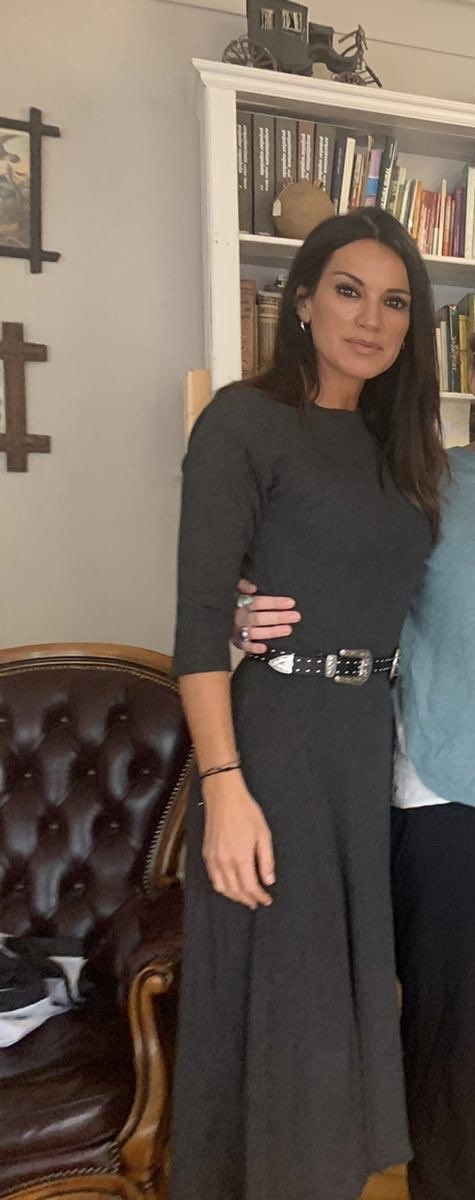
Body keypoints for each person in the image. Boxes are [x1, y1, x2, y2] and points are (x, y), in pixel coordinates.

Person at [171, 207, 445, 1200]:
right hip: (274, 750)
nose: (369, 319)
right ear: (300, 302)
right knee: (282, 1013)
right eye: (347, 291)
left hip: (364, 750)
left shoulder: (400, 448)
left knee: (337, 1021)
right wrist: (224, 789)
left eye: (394, 302)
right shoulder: (242, 422)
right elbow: (200, 624)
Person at [234, 339, 475, 1200]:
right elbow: (327, 580)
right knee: (454, 1055)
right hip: (447, 794)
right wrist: (248, 614)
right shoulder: (424, 483)